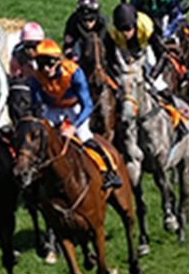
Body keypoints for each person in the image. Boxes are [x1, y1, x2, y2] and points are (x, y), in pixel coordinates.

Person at [26, 39, 122, 188]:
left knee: (84, 135)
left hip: (74, 106)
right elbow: (35, 105)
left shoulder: (74, 72)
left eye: (49, 63)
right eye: (41, 64)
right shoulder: (35, 77)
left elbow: (88, 105)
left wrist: (73, 127)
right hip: (52, 107)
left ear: (58, 61)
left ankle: (109, 171)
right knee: (39, 136)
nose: (45, 69)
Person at [8, 21, 47, 86]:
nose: (31, 49)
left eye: (35, 43)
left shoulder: (46, 51)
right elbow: (14, 71)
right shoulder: (18, 51)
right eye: (29, 43)